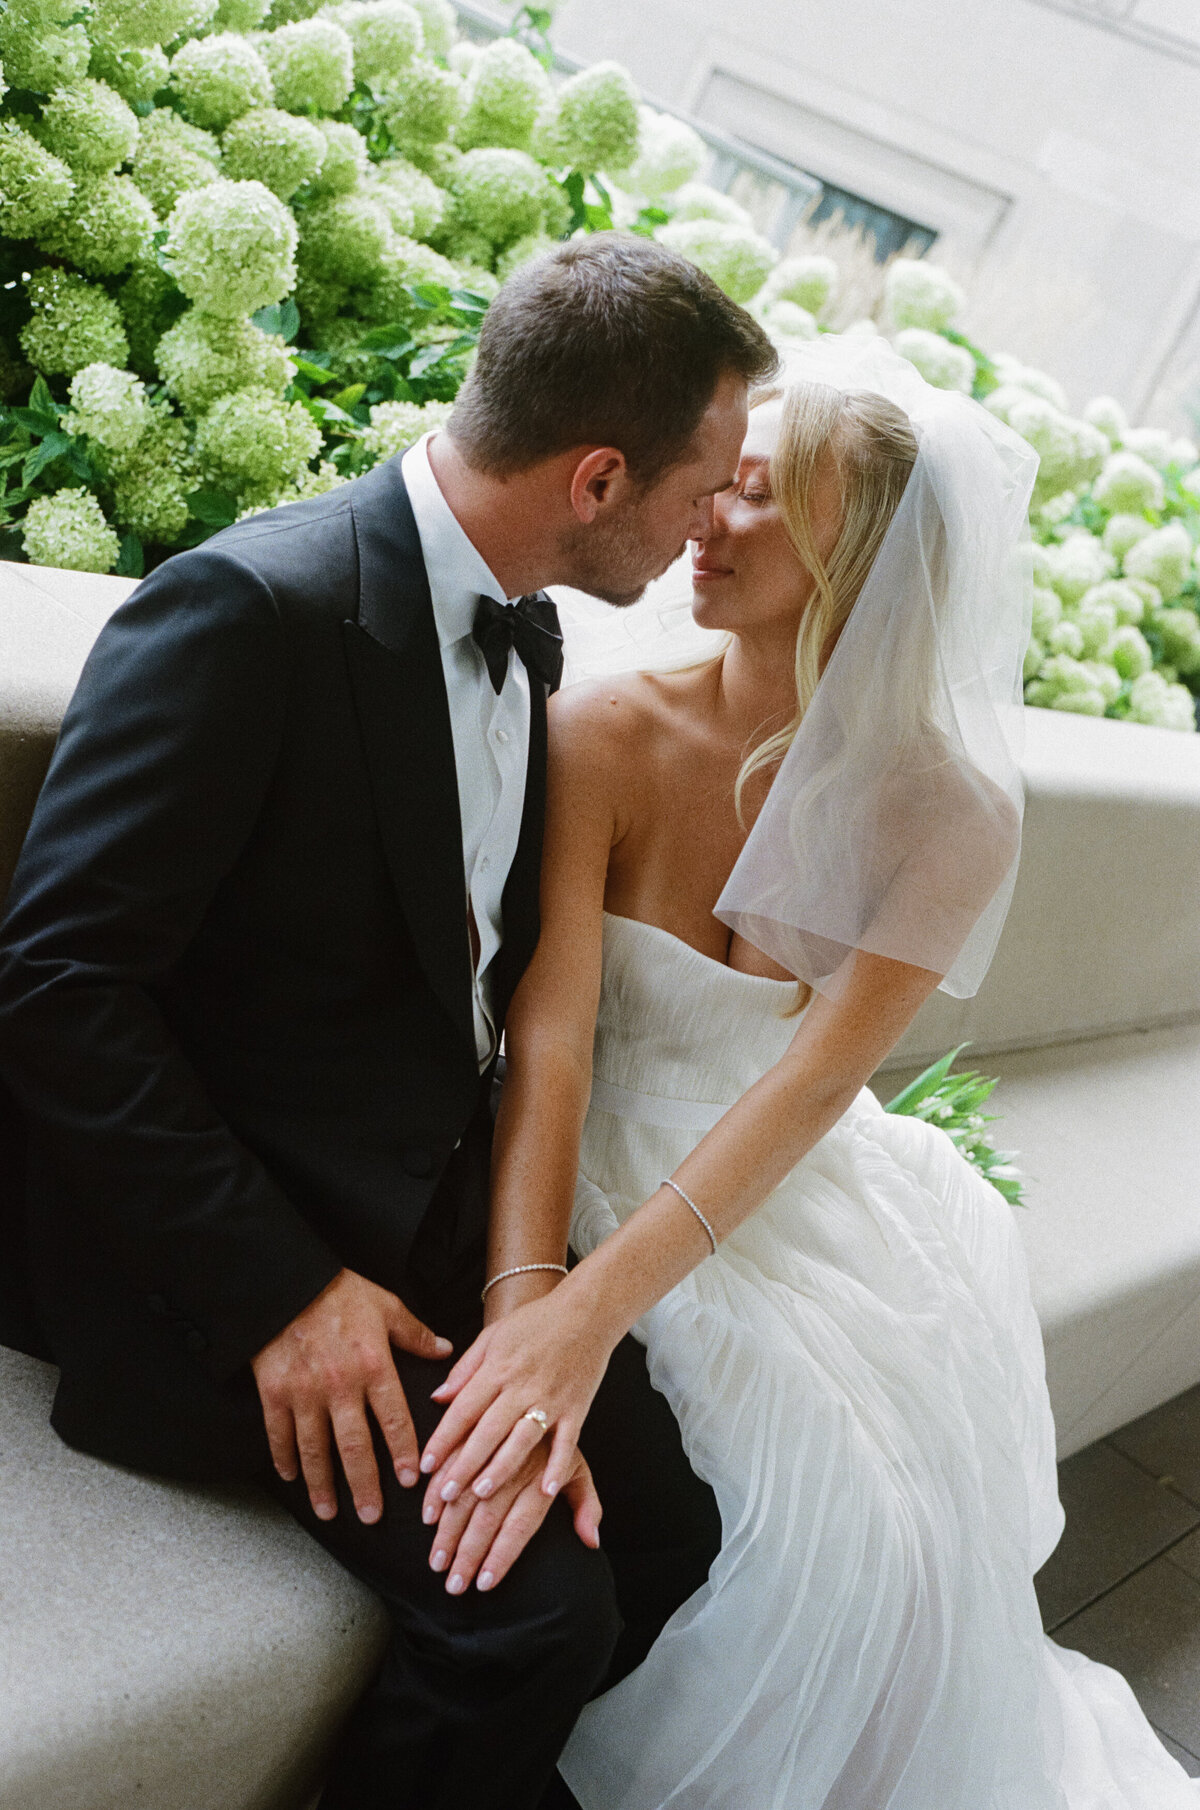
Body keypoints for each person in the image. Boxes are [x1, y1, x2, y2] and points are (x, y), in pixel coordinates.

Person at [0, 234, 778, 1810]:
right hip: (205, 1251)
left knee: (680, 1529)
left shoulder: (530, 621)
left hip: (413, 1206)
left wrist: (526, 1285)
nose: (714, 524)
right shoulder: (244, 611)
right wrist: (285, 1294)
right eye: (705, 489)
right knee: (534, 1618)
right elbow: (58, 982)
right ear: (600, 475)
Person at [416, 336, 1200, 1807]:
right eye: (717, 478)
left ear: (865, 545)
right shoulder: (605, 727)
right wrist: (543, 1304)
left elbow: (811, 1088)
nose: (699, 511)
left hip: (776, 1175)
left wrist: (605, 1307)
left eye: (755, 494)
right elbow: (554, 1035)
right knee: (796, 1529)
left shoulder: (951, 813)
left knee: (889, 1530)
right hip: (584, 1146)